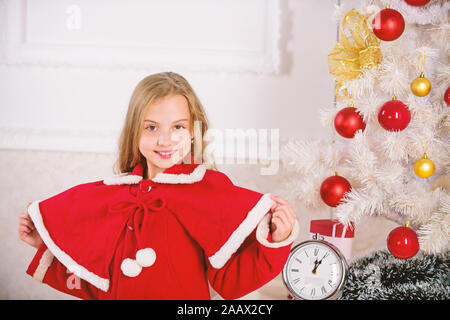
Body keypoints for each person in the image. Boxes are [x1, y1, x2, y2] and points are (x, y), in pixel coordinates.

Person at [18, 72, 299, 300]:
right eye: (151, 127)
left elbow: (230, 282)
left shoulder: (209, 193)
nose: (165, 140)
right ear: (134, 132)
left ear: (193, 132)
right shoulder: (113, 195)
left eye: (178, 127)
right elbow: (97, 282)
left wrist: (277, 239)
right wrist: (47, 247)